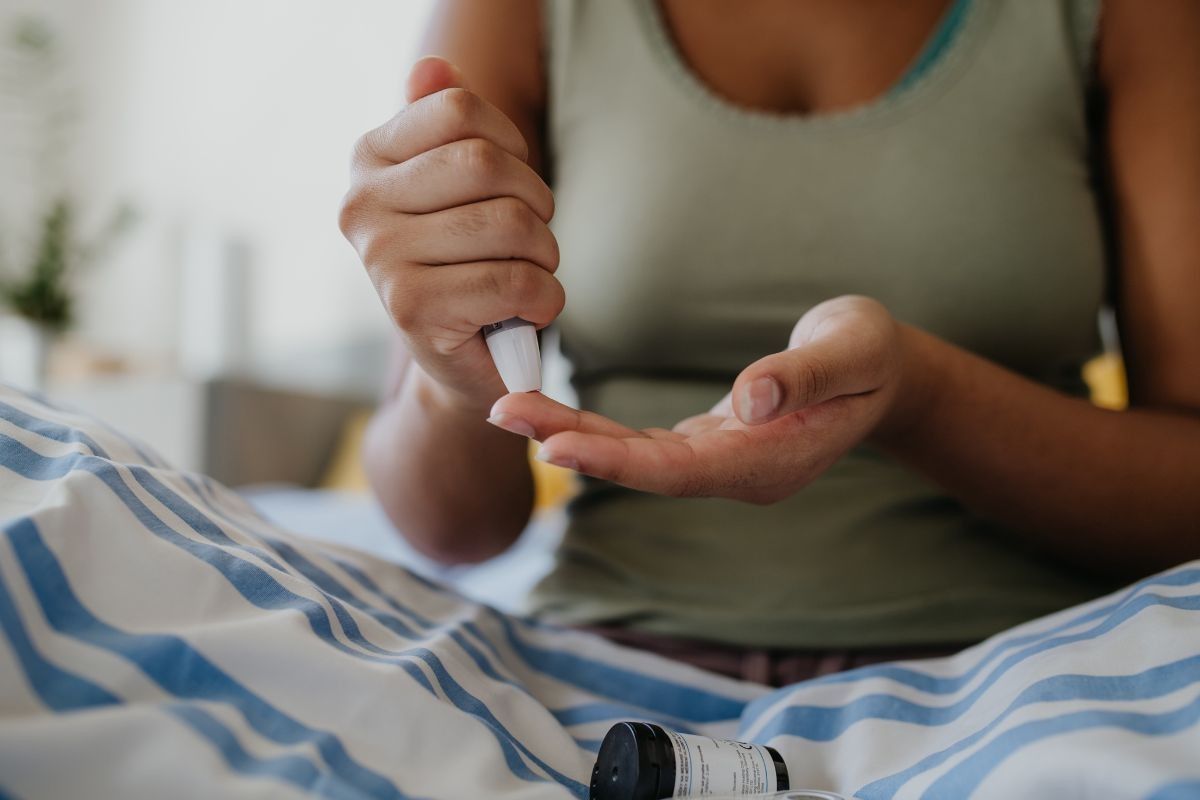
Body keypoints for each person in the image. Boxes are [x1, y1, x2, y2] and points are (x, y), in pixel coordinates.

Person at [338, 0, 1200, 687]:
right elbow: (450, 532)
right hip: (608, 663)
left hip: (1022, 670)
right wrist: (457, 384)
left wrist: (918, 396)